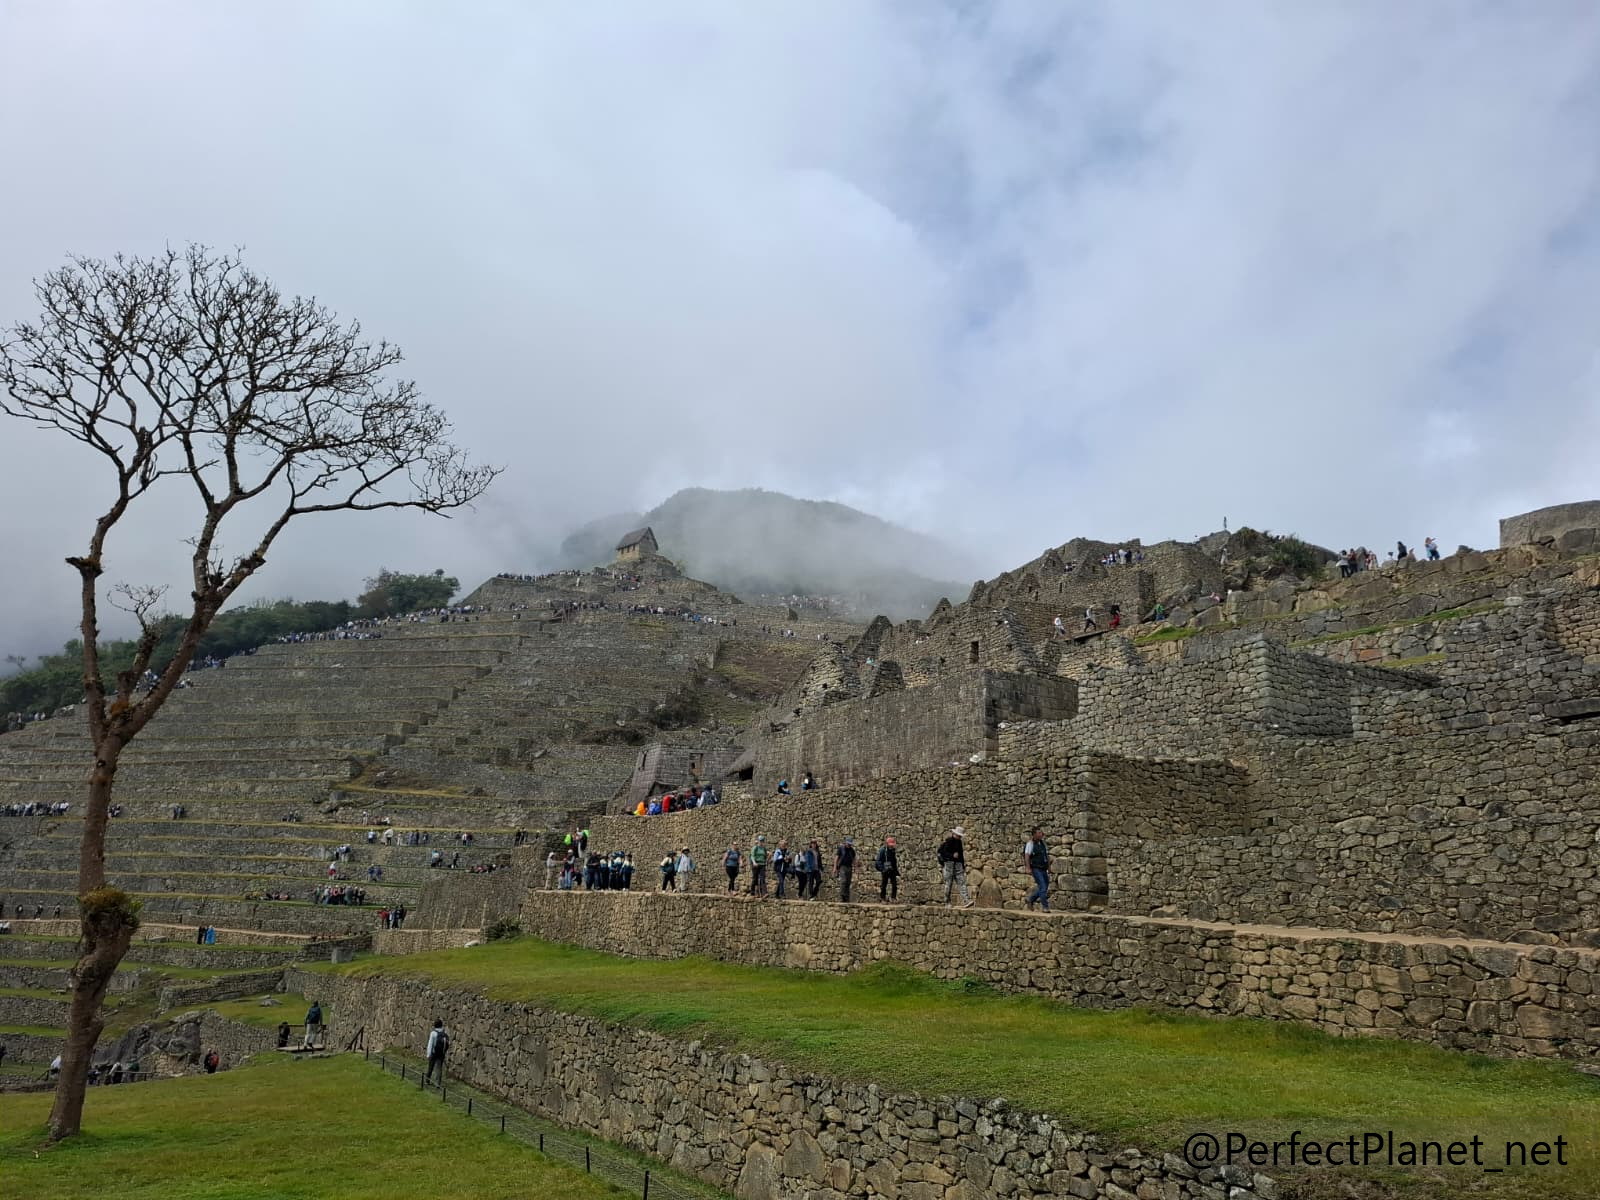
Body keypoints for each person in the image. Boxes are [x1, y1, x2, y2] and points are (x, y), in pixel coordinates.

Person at [939, 827, 974, 908]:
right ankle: (947, 902)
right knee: (949, 883)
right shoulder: (949, 841)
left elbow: (960, 854)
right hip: (949, 864)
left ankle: (966, 900)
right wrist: (952, 856)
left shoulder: (959, 842)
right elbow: (943, 852)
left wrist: (962, 864)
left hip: (957, 864)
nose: (959, 837)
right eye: (958, 835)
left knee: (961, 882)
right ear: (954, 834)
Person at [1023, 826, 1051, 912]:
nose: (1041, 834)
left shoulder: (1043, 843)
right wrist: (1028, 868)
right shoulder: (1030, 844)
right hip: (1036, 868)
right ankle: (1045, 907)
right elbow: (1027, 856)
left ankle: (1030, 899)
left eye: (1041, 832)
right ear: (1034, 835)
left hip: (1043, 868)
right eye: (1039, 833)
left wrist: (1049, 867)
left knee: (1045, 887)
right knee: (1042, 886)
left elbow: (1046, 856)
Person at [424, 1019, 449, 1085]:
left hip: (434, 1053)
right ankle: (437, 1083)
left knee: (430, 1067)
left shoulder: (433, 1033)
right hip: (441, 1054)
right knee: (439, 1068)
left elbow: (430, 1044)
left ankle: (427, 1080)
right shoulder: (444, 1034)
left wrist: (428, 1054)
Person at [875, 835, 900, 902]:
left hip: (891, 869)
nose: (891, 846)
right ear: (887, 844)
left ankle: (893, 897)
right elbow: (878, 861)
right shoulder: (882, 850)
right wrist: (882, 869)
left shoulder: (893, 851)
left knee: (894, 884)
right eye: (890, 845)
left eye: (892, 845)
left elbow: (894, 861)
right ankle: (882, 898)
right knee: (884, 885)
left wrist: (896, 871)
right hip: (885, 869)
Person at [835, 836, 856, 902]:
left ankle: (846, 898)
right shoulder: (841, 849)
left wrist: (856, 868)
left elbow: (854, 860)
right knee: (843, 881)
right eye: (848, 843)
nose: (849, 845)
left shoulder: (852, 850)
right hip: (842, 867)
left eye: (850, 844)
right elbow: (836, 858)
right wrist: (835, 868)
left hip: (849, 867)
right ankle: (842, 896)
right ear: (845, 843)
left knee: (848, 882)